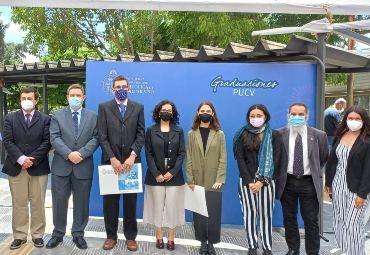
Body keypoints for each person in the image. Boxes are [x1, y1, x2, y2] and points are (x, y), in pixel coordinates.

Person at [46, 84, 99, 249]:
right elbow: (54, 137)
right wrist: (69, 154)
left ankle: (78, 234)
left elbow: (96, 138)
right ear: (67, 97)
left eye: (79, 94)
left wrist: (81, 154)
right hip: (62, 166)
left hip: (83, 167)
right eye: (72, 94)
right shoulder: (57, 115)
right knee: (59, 202)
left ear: (83, 98)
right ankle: (57, 234)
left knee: (82, 203)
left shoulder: (93, 116)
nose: (75, 97)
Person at [98, 75, 145, 251]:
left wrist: (133, 155)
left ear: (129, 88)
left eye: (124, 86)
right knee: (110, 203)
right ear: (112, 89)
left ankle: (131, 237)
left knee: (130, 203)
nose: (121, 89)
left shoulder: (138, 107)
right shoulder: (104, 107)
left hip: (131, 164)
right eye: (117, 87)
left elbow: (141, 134)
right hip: (110, 163)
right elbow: (102, 136)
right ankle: (111, 236)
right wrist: (112, 158)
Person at [275, 102, 328, 255]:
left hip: (309, 182)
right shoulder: (279, 134)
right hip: (287, 182)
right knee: (289, 218)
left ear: (307, 116)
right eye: (293, 114)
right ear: (288, 115)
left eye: (300, 114)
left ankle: (312, 251)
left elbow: (323, 158)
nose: (297, 117)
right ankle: (293, 249)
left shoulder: (319, 135)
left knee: (311, 220)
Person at [2, 87, 51, 249]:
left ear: (36, 100)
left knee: (38, 202)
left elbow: (47, 142)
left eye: (29, 98)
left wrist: (32, 159)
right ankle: (20, 235)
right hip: (16, 167)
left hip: (38, 167)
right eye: (23, 98)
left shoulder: (45, 119)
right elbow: (7, 141)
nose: (26, 100)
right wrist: (21, 159)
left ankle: (37, 235)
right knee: (19, 202)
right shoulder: (10, 118)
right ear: (20, 100)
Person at [234, 104, 281, 255]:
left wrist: (262, 181)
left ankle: (267, 247)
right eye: (252, 116)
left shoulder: (274, 135)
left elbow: (277, 159)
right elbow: (240, 159)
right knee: (249, 214)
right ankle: (252, 246)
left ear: (265, 116)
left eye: (258, 116)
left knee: (266, 215)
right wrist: (250, 182)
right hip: (247, 181)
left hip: (267, 182)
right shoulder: (243, 134)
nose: (255, 119)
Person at [325, 106, 370, 255]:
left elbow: (368, 170)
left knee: (353, 224)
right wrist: (328, 183)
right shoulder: (341, 135)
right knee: (340, 222)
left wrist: (362, 194)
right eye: (350, 118)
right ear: (345, 120)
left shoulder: (367, 140)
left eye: (358, 119)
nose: (354, 121)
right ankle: (346, 251)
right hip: (338, 185)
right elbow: (332, 161)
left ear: (364, 121)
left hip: (356, 189)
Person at [143, 100, 186, 251]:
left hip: (174, 177)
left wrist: (172, 172)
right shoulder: (151, 130)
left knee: (172, 207)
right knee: (157, 207)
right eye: (164, 109)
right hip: (156, 177)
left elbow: (182, 154)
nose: (166, 112)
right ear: (158, 112)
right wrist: (156, 173)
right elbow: (148, 154)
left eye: (169, 110)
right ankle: (159, 237)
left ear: (173, 113)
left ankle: (171, 238)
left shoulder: (179, 130)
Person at [185, 100, 227, 255]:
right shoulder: (191, 134)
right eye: (202, 110)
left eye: (208, 111)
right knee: (200, 214)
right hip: (196, 180)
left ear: (213, 114)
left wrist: (220, 179)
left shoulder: (219, 134)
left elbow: (223, 158)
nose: (205, 113)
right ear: (198, 113)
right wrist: (190, 180)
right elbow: (188, 157)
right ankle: (203, 242)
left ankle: (212, 243)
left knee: (214, 214)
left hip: (214, 180)